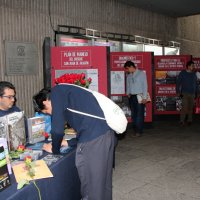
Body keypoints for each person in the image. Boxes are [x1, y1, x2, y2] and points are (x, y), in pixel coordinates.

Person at [32, 85, 116, 200]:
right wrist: (69, 142)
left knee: (91, 186)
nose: (49, 114)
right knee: (102, 183)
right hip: (106, 136)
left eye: (46, 111)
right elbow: (86, 125)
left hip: (94, 142)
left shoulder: (56, 92)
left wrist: (54, 149)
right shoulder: (68, 93)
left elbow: (57, 130)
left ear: (45, 102)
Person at [124, 60, 148, 137]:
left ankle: (139, 131)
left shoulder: (141, 74)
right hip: (132, 97)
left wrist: (144, 97)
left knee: (139, 114)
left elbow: (145, 86)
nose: (127, 70)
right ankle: (135, 130)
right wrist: (127, 93)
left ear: (131, 67)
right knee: (133, 114)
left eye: (127, 68)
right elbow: (128, 85)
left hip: (140, 96)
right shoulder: (129, 76)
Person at [176, 60, 198, 126]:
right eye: (192, 66)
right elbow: (178, 83)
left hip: (192, 93)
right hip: (184, 93)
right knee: (184, 107)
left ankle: (189, 120)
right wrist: (178, 91)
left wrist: (197, 92)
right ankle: (182, 121)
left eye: (193, 66)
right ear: (188, 66)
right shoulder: (182, 73)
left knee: (191, 108)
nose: (193, 67)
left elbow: (196, 84)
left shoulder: (194, 74)